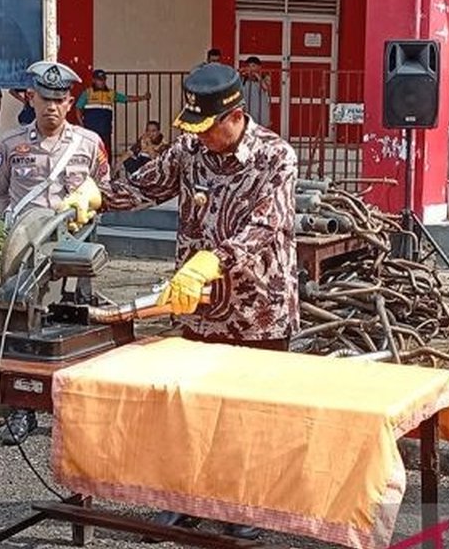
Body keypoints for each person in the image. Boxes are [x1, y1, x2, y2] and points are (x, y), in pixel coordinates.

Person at [59, 62, 299, 541]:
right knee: (190, 409)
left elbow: (265, 226)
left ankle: (242, 504)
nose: (202, 138)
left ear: (235, 115)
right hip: (198, 306)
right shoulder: (191, 149)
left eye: (209, 128)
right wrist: (97, 196)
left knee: (245, 412)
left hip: (258, 310)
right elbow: (145, 185)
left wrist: (214, 259)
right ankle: (184, 499)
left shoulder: (276, 156)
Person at [0, 60, 110, 446]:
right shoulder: (9, 144)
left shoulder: (89, 143)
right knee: (20, 328)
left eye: (60, 100)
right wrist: (25, 228)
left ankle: (71, 413)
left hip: (73, 249)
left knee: (75, 328)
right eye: (45, 99)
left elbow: (102, 189)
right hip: (27, 251)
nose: (52, 107)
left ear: (70, 101)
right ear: (30, 97)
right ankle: (22, 412)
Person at [74, 69, 149, 152]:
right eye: (99, 80)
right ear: (94, 80)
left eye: (103, 80)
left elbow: (126, 98)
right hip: (91, 128)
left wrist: (143, 97)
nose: (102, 82)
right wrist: (81, 123)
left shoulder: (111, 93)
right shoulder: (87, 93)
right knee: (90, 150)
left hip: (105, 129)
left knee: (105, 151)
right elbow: (78, 108)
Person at [240, 56, 271, 127]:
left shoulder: (265, 76)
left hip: (260, 106)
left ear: (259, 67)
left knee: (261, 126)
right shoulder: (243, 77)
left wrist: (256, 75)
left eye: (253, 66)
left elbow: (266, 87)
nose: (250, 68)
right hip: (248, 105)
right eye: (249, 66)